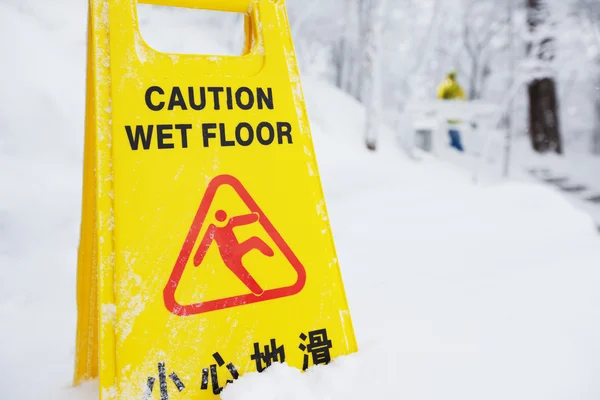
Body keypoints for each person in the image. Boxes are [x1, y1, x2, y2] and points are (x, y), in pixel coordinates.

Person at [436, 71, 467, 152]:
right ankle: (456, 144)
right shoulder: (457, 86)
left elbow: (440, 96)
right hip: (456, 111)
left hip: (447, 110)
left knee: (451, 127)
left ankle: (457, 145)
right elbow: (463, 97)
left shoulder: (445, 85)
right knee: (454, 127)